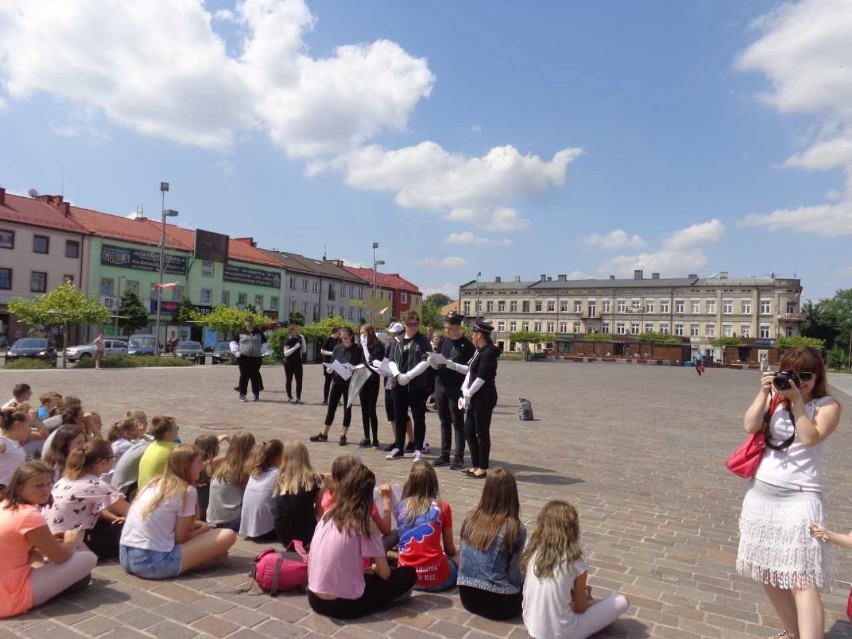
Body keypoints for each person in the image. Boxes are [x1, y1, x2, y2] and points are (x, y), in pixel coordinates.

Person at [736, 347, 841, 639]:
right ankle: (793, 633)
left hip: (800, 497)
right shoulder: (776, 397)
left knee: (801, 579)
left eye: (806, 375)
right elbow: (749, 425)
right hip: (761, 494)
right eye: (793, 374)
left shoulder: (827, 406)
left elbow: (809, 438)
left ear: (817, 376)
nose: (799, 381)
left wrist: (797, 402)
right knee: (769, 572)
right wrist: (765, 392)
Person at [307, 464, 417, 619]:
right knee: (408, 574)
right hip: (341, 605)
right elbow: (385, 574)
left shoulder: (329, 513)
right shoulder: (365, 525)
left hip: (313, 596)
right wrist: (375, 568)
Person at [120, 445, 236, 579]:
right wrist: (202, 531)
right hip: (153, 562)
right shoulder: (186, 490)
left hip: (126, 555)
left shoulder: (154, 483)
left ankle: (197, 559)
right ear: (187, 466)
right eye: (198, 463)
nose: (202, 466)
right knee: (227, 535)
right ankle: (195, 562)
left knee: (212, 542)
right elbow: (181, 538)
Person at [0, 461, 98, 618]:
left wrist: (49, 541)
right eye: (38, 486)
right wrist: (71, 540)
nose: (46, 490)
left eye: (48, 483)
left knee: (37, 553)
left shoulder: (5, 505)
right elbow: (59, 557)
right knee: (88, 558)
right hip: (10, 597)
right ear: (19, 487)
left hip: (6, 584)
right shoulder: (29, 515)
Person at [523, 500, 629, 639]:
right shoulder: (576, 559)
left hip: (532, 626)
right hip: (563, 632)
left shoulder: (533, 551)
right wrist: (584, 597)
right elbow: (580, 608)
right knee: (622, 601)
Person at [458, 468, 526, 620]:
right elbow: (514, 575)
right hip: (499, 603)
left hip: (467, 596)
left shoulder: (470, 519)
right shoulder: (515, 527)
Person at [44, 439, 129, 559]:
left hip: (50, 538)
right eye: (112, 458)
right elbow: (131, 512)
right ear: (102, 462)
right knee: (126, 528)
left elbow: (89, 509)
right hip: (72, 543)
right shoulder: (96, 485)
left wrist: (113, 518)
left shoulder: (66, 479)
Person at [396, 460, 458, 591]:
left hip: (407, 579)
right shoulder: (443, 507)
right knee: (459, 556)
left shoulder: (400, 506)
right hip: (437, 579)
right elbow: (450, 550)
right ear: (433, 482)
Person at [318, 455, 397, 550]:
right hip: (358, 554)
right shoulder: (362, 501)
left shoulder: (328, 495)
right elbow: (386, 529)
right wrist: (386, 501)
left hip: (330, 546)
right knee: (395, 534)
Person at [428, 312, 475, 470]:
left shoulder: (467, 345)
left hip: (457, 387)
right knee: (444, 420)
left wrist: (453, 365)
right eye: (445, 327)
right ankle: (444, 454)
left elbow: (470, 370)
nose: (446, 330)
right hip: (441, 384)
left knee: (458, 422)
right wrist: (433, 362)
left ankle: (459, 457)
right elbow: (439, 363)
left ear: (457, 327)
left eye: (449, 328)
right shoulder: (443, 342)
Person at [386, 311, 433, 461]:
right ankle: (398, 447)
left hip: (417, 385)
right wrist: (398, 375)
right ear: (404, 324)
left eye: (415, 324)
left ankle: (417, 447)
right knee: (399, 416)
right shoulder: (397, 340)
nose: (413, 327)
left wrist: (409, 376)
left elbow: (426, 361)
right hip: (398, 384)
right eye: (410, 324)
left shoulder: (423, 340)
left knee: (419, 417)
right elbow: (391, 359)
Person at [310, 327, 363, 446]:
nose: (343, 340)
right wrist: (330, 368)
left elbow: (360, 365)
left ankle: (343, 434)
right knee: (331, 407)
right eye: (342, 337)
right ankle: (324, 433)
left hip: (349, 382)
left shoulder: (357, 349)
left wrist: (353, 368)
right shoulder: (337, 348)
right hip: (337, 381)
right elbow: (333, 361)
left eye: (345, 337)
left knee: (347, 408)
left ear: (351, 336)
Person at [461, 319, 499, 479]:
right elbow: (470, 372)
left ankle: (482, 467)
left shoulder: (488, 353)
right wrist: (464, 390)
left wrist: (468, 393)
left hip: (484, 397)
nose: (472, 336)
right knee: (469, 431)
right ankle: (475, 464)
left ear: (480, 335)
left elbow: (482, 378)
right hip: (474, 396)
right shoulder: (479, 351)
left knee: (482, 432)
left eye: (474, 333)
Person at [273, 440, 324, 548]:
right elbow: (319, 511)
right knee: (324, 500)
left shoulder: (280, 478)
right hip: (305, 536)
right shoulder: (313, 479)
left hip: (283, 535)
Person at [207, 431, 256, 531]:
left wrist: (228, 439)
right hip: (230, 521)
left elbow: (236, 452)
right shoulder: (244, 469)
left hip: (212, 518)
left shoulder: (221, 463)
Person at [378, 323, 414, 452]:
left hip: (400, 382)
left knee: (403, 415)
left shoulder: (404, 346)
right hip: (388, 382)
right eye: (390, 333)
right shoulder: (389, 346)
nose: (390, 335)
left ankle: (411, 440)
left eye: (393, 333)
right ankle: (397, 440)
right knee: (392, 414)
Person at [239, 439, 282, 540]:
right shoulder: (277, 474)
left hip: (248, 528)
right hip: (266, 531)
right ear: (279, 457)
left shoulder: (254, 472)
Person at [358, 324, 385, 448]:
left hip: (373, 379)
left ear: (369, 332)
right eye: (360, 333)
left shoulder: (377, 345)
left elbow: (371, 361)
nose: (361, 335)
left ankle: (375, 438)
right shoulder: (362, 345)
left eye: (363, 332)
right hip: (362, 378)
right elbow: (361, 361)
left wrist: (364, 346)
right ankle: (366, 437)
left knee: (371, 409)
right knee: (364, 409)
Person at [137, 416, 180, 490]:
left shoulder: (151, 445)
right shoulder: (174, 448)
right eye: (177, 428)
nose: (178, 429)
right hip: (156, 494)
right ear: (168, 435)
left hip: (142, 491)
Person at [193, 434, 227, 522]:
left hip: (197, 505)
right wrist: (228, 438)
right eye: (218, 445)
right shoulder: (214, 461)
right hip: (208, 508)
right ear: (214, 448)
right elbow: (238, 456)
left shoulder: (193, 462)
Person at [236, 317, 265, 402]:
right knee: (244, 376)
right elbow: (234, 342)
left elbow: (264, 343)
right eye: (247, 322)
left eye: (251, 321)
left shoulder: (258, 332)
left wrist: (261, 352)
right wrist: (236, 352)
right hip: (243, 357)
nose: (249, 323)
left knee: (255, 375)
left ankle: (256, 394)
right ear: (245, 323)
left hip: (256, 357)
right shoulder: (240, 332)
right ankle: (242, 395)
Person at [0, 409, 29, 489]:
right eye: (28, 425)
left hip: (12, 489)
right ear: (18, 424)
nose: (29, 429)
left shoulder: (13, 443)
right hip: (4, 490)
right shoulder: (4, 442)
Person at [282, 324, 307, 404]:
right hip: (288, 363)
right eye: (295, 330)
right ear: (291, 331)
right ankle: (289, 397)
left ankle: (298, 398)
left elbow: (304, 351)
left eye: (297, 330)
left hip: (298, 362)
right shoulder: (288, 339)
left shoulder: (299, 338)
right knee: (289, 380)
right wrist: (295, 347)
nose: (297, 331)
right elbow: (286, 353)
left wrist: (303, 340)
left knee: (299, 380)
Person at [320, 326, 341, 405]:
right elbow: (322, 351)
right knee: (328, 381)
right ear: (336, 331)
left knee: (337, 381)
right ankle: (325, 399)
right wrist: (333, 353)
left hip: (337, 363)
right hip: (328, 362)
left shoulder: (339, 340)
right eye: (339, 331)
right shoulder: (328, 339)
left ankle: (336, 399)